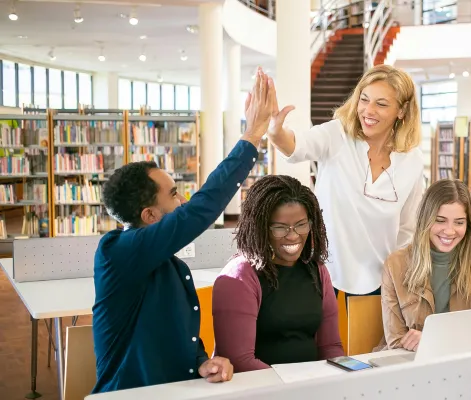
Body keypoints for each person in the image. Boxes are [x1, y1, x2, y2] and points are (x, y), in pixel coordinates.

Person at [91, 68, 274, 393]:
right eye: (174, 195)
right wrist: (251, 137)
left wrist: (202, 361)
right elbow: (199, 211)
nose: (183, 201)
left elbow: (175, 334)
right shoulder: (116, 253)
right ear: (148, 215)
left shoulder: (170, 265)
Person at [265, 64, 425, 297]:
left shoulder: (412, 160)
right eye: (364, 99)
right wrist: (276, 133)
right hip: (322, 274)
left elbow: (407, 229)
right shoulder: (337, 135)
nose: (368, 110)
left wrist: (399, 279)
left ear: (402, 111)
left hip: (380, 281)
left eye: (381, 104)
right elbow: (297, 146)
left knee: (367, 336)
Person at [212, 175, 344, 372]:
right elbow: (239, 361)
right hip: (261, 390)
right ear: (261, 228)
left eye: (301, 225)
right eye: (280, 228)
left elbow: (330, 347)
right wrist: (295, 388)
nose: (292, 236)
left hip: (310, 386)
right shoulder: (239, 276)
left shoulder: (317, 270)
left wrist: (345, 376)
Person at [378, 179, 471, 351]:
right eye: (440, 220)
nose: (449, 231)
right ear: (426, 220)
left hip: (465, 361)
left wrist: (435, 339)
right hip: (411, 363)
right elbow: (396, 341)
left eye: (459, 222)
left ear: (468, 224)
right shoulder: (395, 264)